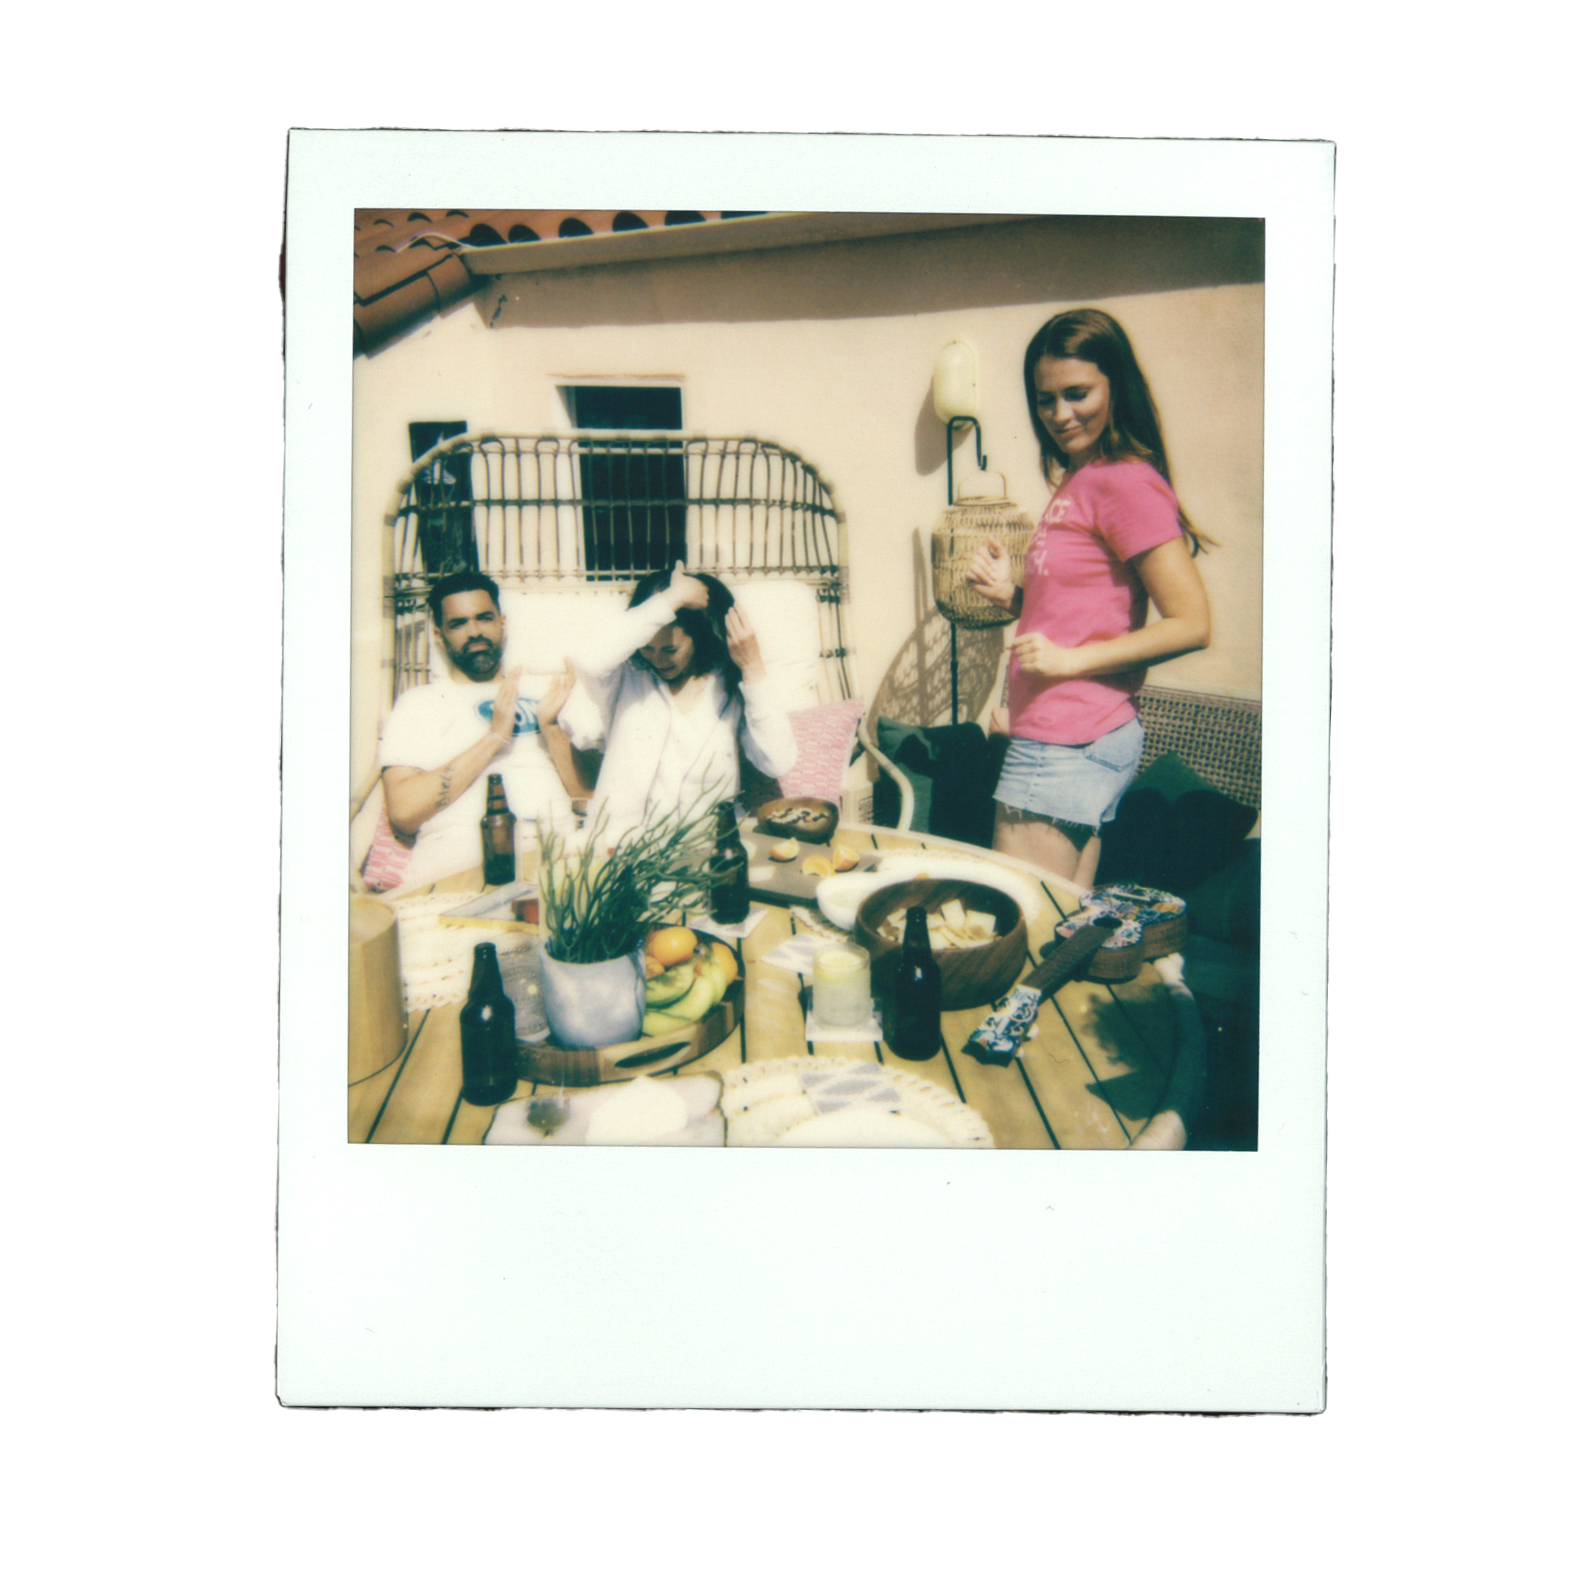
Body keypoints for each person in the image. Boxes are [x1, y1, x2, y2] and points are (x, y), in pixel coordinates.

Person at [966, 308, 1212, 889]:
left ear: (1116, 385)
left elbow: (1192, 622)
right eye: (1045, 399)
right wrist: (1013, 597)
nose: (1059, 414)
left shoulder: (1123, 481)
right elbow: (1078, 613)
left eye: (1077, 394)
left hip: (1067, 737)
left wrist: (1070, 662)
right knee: (1059, 923)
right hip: (1069, 732)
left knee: (1021, 926)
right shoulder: (1082, 479)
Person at [377, 571, 594, 890]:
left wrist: (550, 728)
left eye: (484, 618)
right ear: (439, 636)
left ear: (502, 624)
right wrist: (493, 737)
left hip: (555, 857)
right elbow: (404, 812)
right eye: (458, 623)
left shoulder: (546, 693)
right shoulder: (420, 703)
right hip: (458, 862)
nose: (475, 632)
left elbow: (589, 796)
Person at [560, 562, 798, 847]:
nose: (658, 660)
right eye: (647, 648)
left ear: (697, 639)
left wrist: (754, 669)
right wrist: (675, 597)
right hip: (623, 851)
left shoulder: (728, 686)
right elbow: (588, 660)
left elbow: (778, 762)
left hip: (708, 851)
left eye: (670, 650)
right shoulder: (626, 678)